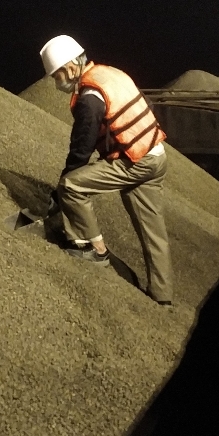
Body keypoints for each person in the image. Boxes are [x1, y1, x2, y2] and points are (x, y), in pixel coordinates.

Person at [40, 34, 174, 305]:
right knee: (153, 233)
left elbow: (81, 150)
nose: (56, 83)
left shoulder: (89, 98)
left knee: (71, 186)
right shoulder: (110, 74)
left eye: (56, 76)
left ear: (70, 68)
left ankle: (94, 248)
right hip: (156, 154)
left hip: (136, 161)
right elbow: (144, 107)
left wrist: (59, 191)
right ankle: (162, 297)